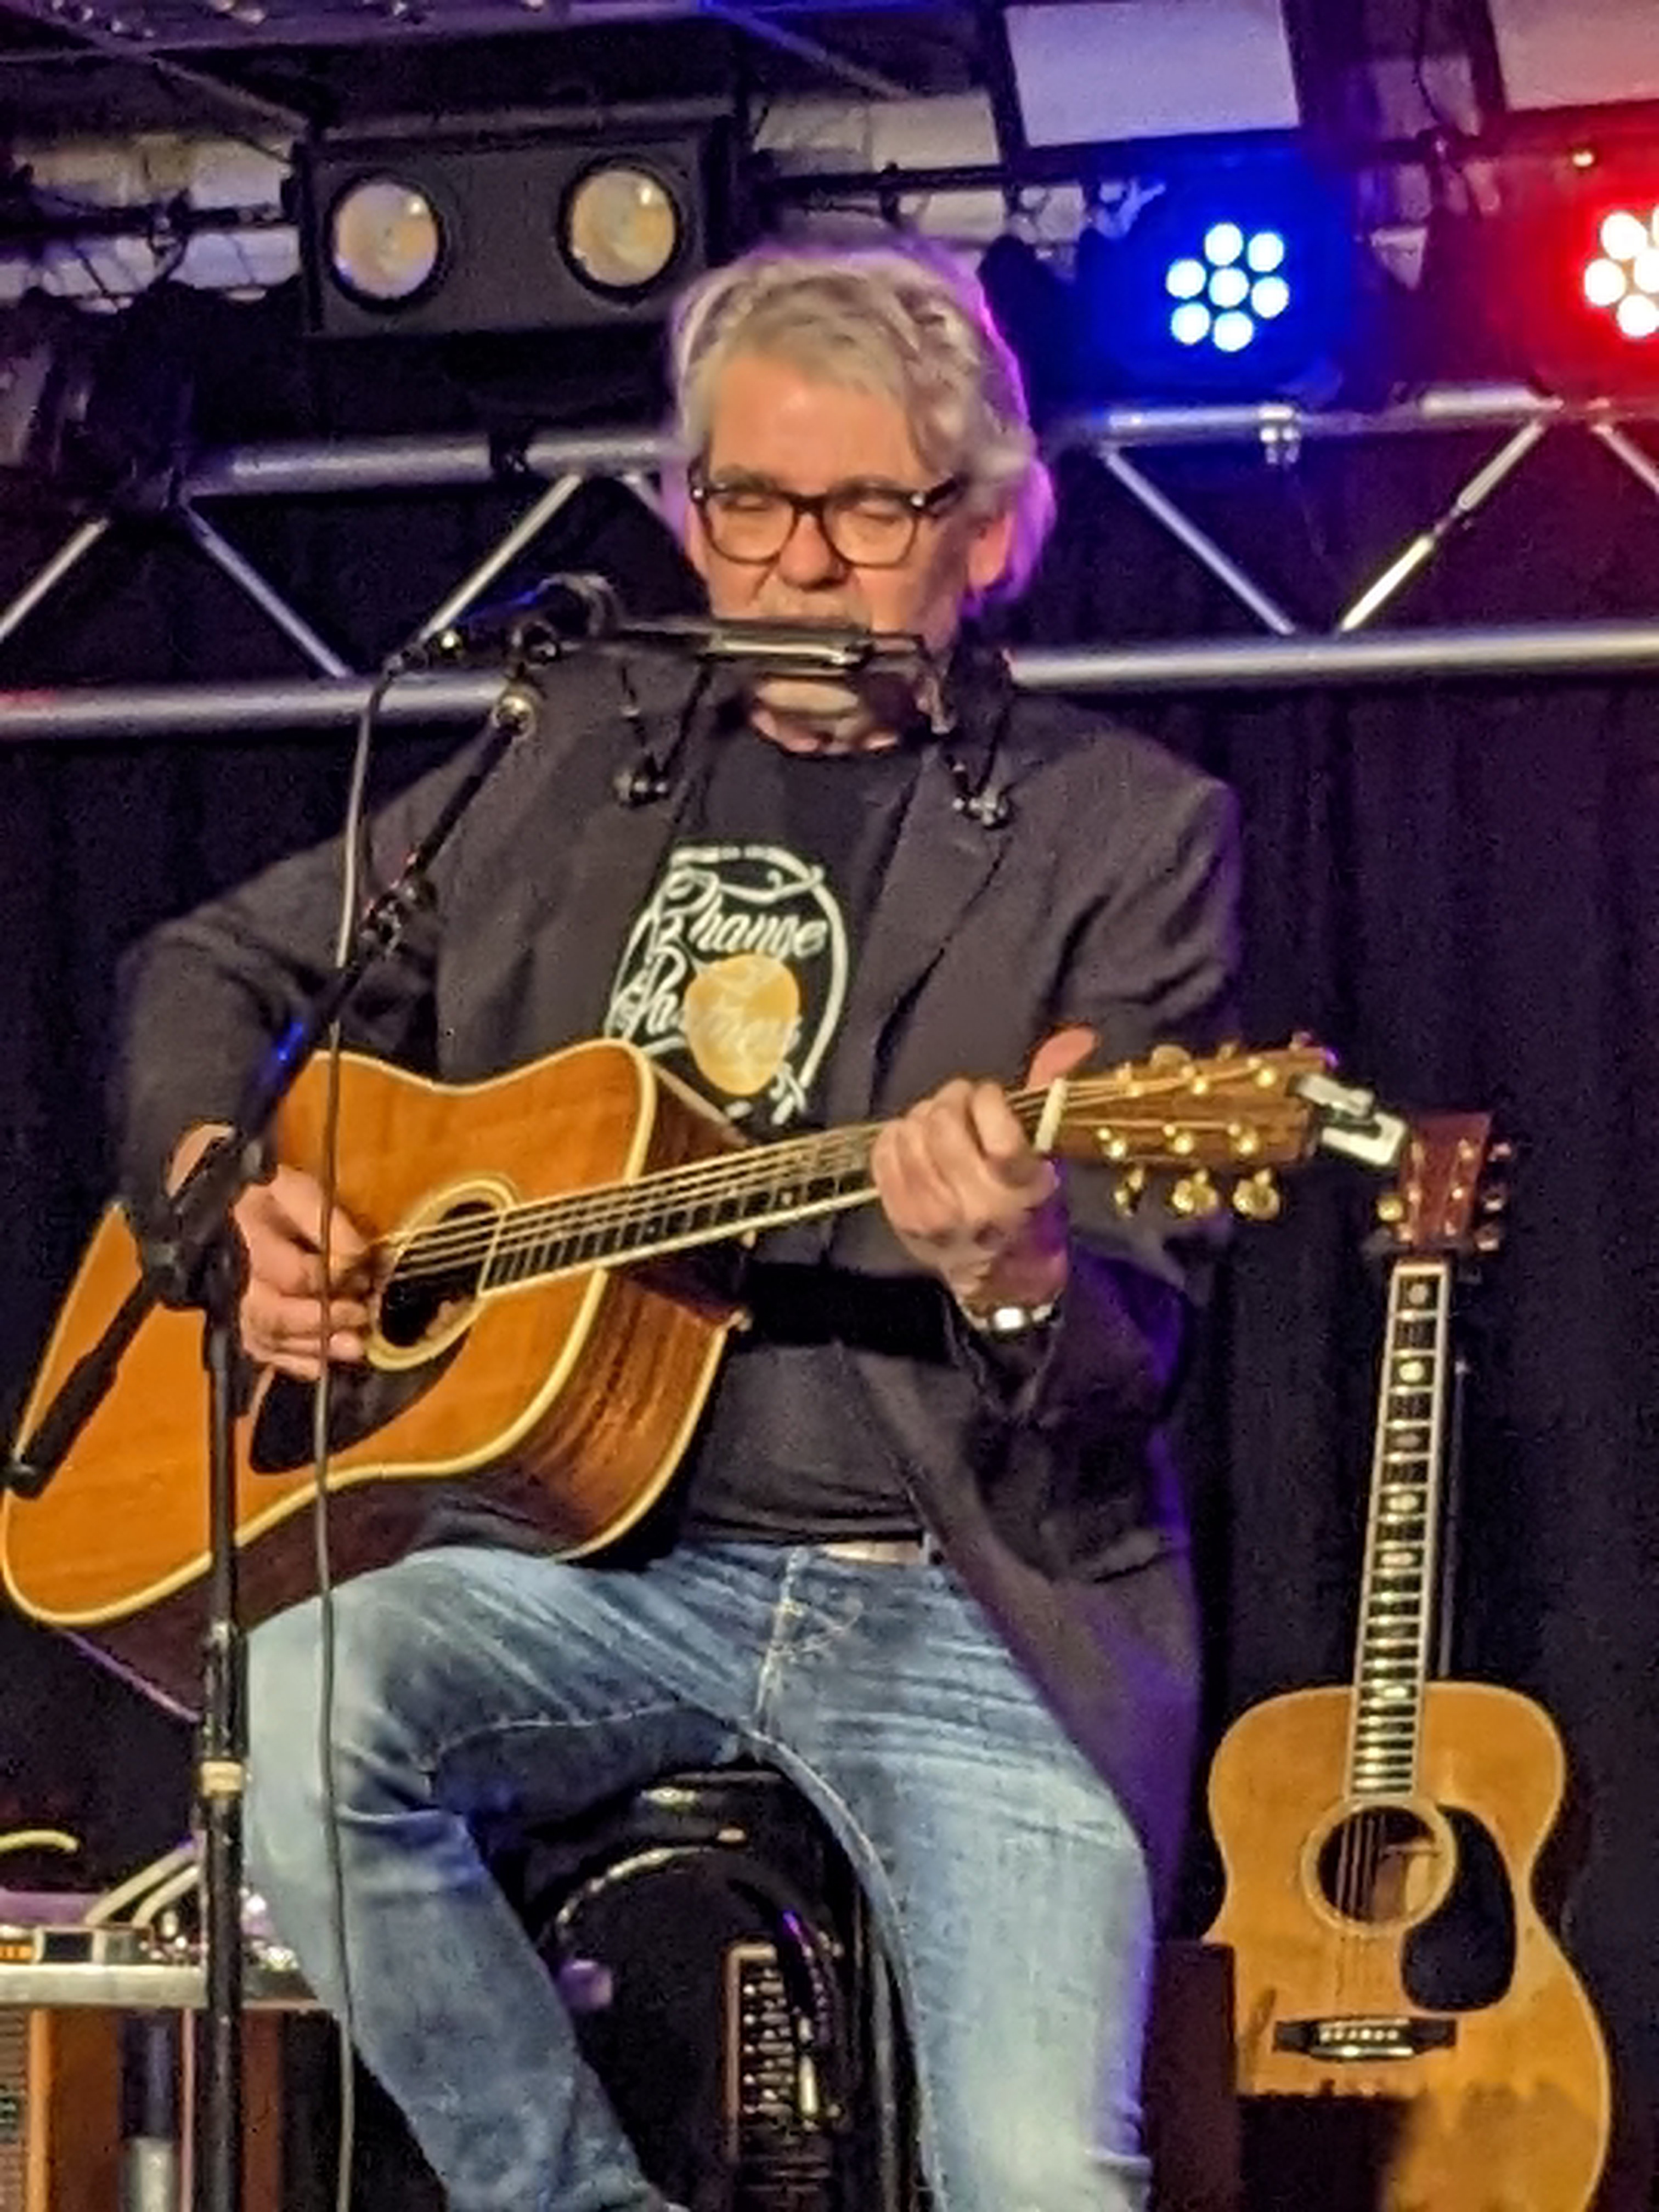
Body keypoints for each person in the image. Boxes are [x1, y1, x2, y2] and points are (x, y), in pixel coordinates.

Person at [115, 233, 1240, 2212]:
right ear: (681, 509)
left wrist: (1014, 1273)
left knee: (1041, 2178)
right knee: (290, 1707)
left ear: (986, 531)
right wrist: (227, 1203)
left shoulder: (1126, 832)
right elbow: (211, 967)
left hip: (957, 1593)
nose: (799, 568)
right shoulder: (576, 760)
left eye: (867, 511)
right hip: (587, 1553)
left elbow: (1126, 1353)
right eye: (746, 505)